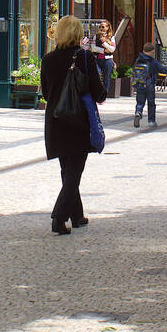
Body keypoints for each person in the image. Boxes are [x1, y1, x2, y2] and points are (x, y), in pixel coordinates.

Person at [40, 15, 107, 235]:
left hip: (56, 120)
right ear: (79, 35)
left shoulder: (48, 59)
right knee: (74, 172)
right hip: (78, 120)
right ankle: (59, 217)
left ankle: (77, 215)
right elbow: (98, 92)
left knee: (66, 169)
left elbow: (46, 92)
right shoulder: (84, 57)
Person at [132, 41, 167, 127]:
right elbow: (163, 70)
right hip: (149, 84)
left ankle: (138, 112)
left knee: (140, 102)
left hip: (139, 83)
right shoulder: (153, 61)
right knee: (151, 103)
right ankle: (151, 121)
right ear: (151, 51)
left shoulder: (138, 59)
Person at [92, 20, 116, 94]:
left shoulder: (111, 37)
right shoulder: (96, 36)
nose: (101, 28)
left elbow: (112, 49)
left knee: (106, 78)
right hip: (98, 60)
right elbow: (93, 48)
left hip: (108, 60)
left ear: (108, 27)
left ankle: (104, 94)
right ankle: (96, 93)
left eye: (103, 27)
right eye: (100, 27)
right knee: (96, 77)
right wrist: (104, 50)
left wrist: (104, 43)